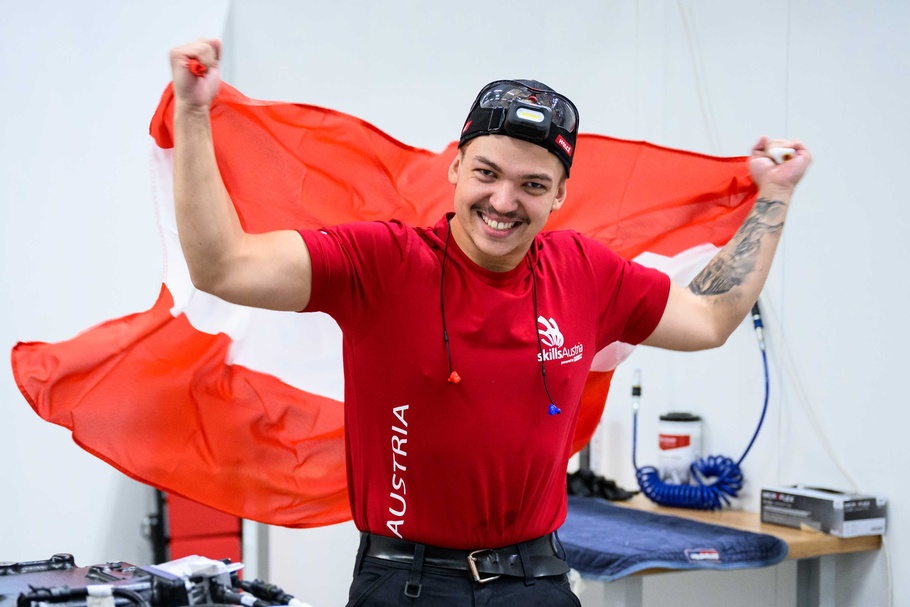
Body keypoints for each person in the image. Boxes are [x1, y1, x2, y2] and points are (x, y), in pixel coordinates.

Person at [169, 38, 811, 606]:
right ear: (455, 168)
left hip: (538, 582)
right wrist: (194, 114)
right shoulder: (383, 262)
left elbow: (708, 318)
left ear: (560, 194)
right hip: (405, 584)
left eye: (533, 185)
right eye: (486, 173)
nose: (503, 202)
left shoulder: (584, 271)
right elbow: (224, 266)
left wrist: (774, 194)